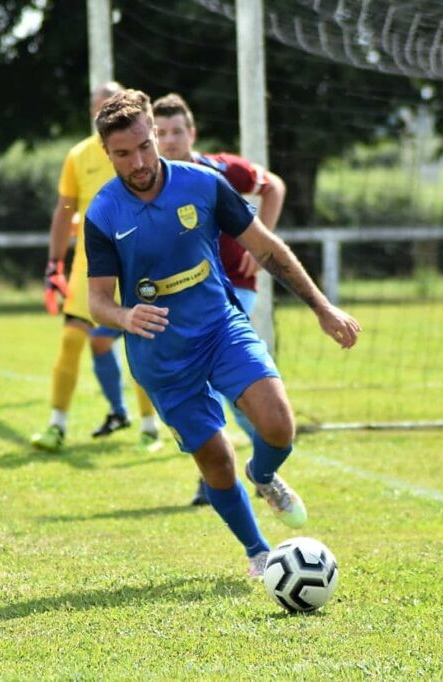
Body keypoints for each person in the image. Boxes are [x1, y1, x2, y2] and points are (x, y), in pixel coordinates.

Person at [85, 90, 360, 577]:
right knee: (215, 462)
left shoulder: (203, 185)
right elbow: (98, 300)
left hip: (219, 328)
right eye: (123, 154)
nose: (139, 161)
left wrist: (321, 307)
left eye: (145, 146)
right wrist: (125, 317)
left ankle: (265, 473)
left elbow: (267, 247)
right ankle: (259, 552)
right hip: (161, 356)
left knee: (278, 427)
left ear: (154, 132)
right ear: (106, 153)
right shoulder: (103, 215)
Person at [151, 92, 288, 506]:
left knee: (226, 377)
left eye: (177, 131)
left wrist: (259, 247)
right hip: (183, 299)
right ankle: (223, 468)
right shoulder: (149, 187)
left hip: (235, 289)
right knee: (198, 384)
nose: (171, 140)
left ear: (192, 133)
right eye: (161, 133)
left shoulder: (221, 169)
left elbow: (274, 187)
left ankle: (260, 462)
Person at [30, 81, 162, 453]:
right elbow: (65, 209)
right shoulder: (79, 156)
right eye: (103, 105)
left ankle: (150, 427)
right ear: (94, 113)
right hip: (88, 263)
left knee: (139, 342)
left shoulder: (142, 151)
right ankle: (57, 425)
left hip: (136, 262)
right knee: (74, 338)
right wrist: (55, 263)